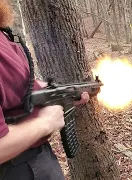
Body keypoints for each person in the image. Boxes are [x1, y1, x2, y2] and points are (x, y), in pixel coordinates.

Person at [0, 1, 89, 179]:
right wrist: (45, 123)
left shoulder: (3, 35)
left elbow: (13, 85)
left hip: (37, 159)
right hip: (18, 169)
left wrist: (52, 92)